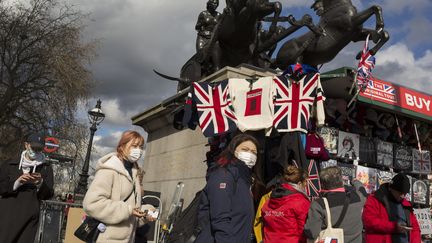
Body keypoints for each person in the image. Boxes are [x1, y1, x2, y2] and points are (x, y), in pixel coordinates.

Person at [83, 130, 155, 243]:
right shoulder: (109, 170)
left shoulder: (135, 173)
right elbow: (92, 204)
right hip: (107, 238)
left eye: (141, 147)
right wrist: (128, 210)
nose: (139, 151)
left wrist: (145, 214)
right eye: (134, 146)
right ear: (122, 146)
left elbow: (130, 215)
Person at [195, 133, 259, 243]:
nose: (250, 154)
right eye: (245, 149)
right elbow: (220, 217)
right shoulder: (224, 174)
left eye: (254, 152)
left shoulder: (244, 178)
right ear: (234, 150)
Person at [0, 133, 54, 243]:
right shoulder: (10, 164)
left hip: (30, 216)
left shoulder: (46, 168)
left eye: (39, 149)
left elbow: (49, 194)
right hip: (7, 215)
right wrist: (17, 183)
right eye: (33, 147)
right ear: (26, 145)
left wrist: (40, 183)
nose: (35, 151)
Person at [304, 166, 367, 243]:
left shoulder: (319, 204)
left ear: (322, 184)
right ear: (341, 181)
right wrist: (355, 181)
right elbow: (362, 190)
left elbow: (311, 233)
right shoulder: (358, 197)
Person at [362, 173, 421, 243]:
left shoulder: (406, 204)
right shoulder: (375, 199)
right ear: (390, 188)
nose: (402, 196)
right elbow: (369, 222)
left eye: (404, 193)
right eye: (400, 193)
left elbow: (415, 228)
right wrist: (393, 226)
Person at [261, 166, 310, 243]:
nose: (306, 185)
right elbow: (304, 230)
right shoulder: (301, 202)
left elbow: (264, 223)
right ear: (300, 183)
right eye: (305, 182)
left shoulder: (270, 199)